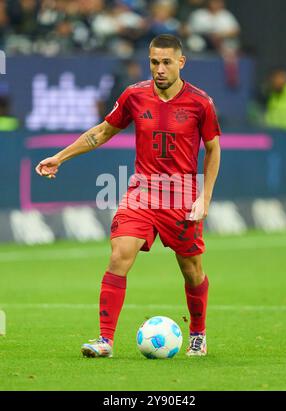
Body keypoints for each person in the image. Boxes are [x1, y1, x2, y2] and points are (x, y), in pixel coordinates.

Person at [35, 34, 221, 358]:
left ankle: (198, 334)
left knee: (192, 270)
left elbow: (213, 149)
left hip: (181, 196)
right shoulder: (134, 95)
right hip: (142, 192)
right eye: (153, 62)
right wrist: (60, 157)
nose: (159, 69)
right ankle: (105, 341)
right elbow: (102, 131)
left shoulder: (200, 102)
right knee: (119, 255)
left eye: (166, 62)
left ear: (181, 62)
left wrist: (204, 197)